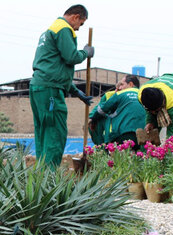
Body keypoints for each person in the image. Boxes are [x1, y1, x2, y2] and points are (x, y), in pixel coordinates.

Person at [29, 4, 94, 168]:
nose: (79, 28)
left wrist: (77, 92)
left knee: (43, 132)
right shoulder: (64, 29)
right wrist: (86, 52)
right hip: (49, 90)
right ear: (75, 17)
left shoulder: (50, 30)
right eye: (81, 23)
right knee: (55, 132)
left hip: (40, 87)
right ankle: (49, 178)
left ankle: (41, 175)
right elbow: (71, 56)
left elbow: (55, 70)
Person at [90, 75, 144, 145]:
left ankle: (102, 149)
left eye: (122, 84)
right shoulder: (143, 94)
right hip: (142, 135)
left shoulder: (118, 94)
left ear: (130, 84)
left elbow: (100, 110)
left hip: (123, 133)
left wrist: (93, 119)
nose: (120, 87)